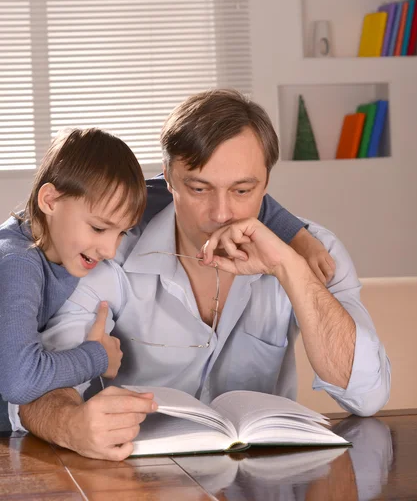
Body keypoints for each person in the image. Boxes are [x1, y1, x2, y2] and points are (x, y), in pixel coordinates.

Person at [15, 89, 390, 461]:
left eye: (243, 190)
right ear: (168, 179)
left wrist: (290, 268)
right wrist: (71, 426)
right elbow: (37, 392)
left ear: (266, 185)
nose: (221, 213)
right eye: (198, 188)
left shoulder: (311, 251)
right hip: (136, 478)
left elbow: (366, 395)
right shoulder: (108, 253)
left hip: (265, 478)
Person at [0, 127, 146, 404]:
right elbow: (19, 382)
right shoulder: (17, 262)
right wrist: (98, 356)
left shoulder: (60, 249)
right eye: (99, 228)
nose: (109, 250)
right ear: (50, 201)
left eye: (121, 233)